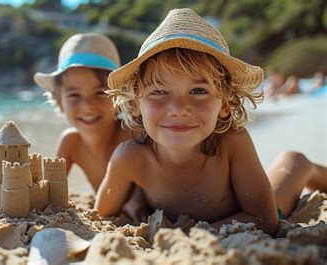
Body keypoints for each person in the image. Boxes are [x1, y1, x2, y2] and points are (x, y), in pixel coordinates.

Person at [95, 8, 327, 234]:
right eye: (159, 91)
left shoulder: (231, 142)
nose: (178, 109)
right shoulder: (128, 158)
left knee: (294, 162)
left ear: (225, 105)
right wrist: (133, 200)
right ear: (136, 105)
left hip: (264, 208)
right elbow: (101, 216)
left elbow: (265, 219)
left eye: (198, 91)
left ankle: (308, 167)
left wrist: (188, 235)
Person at [33, 33, 131, 193]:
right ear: (59, 101)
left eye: (100, 92)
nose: (87, 106)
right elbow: (49, 190)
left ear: (119, 96)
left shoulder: (131, 137)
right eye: (74, 95)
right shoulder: (71, 142)